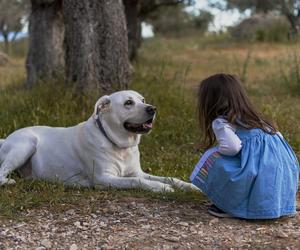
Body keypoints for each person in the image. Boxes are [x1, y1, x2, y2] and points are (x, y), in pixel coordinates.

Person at [190, 73, 299, 219]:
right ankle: (278, 204)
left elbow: (233, 147)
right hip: (284, 170)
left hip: (259, 172)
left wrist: (218, 150)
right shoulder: (259, 120)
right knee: (259, 167)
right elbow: (279, 142)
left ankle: (229, 205)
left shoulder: (221, 122)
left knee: (212, 157)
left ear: (210, 102)